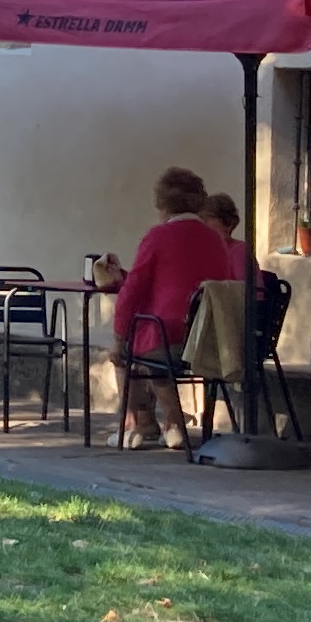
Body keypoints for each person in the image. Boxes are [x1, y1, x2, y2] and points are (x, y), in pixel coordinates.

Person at [115, 167, 241, 449]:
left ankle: (151, 423)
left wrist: (118, 335)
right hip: (206, 337)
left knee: (125, 354)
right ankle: (163, 424)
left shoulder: (157, 237)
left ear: (162, 204)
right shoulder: (215, 240)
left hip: (166, 336)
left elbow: (133, 289)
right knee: (143, 346)